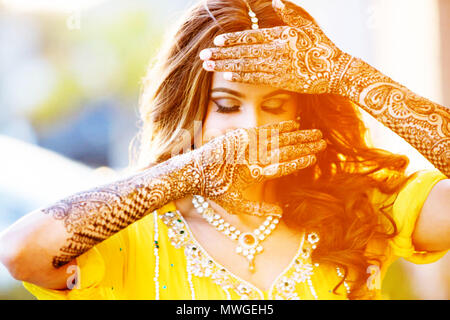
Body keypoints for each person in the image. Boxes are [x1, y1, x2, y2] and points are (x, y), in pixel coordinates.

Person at [0, 0, 449, 300]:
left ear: (302, 115)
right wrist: (188, 172)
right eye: (227, 105)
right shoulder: (125, 225)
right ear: (189, 108)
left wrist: (347, 75)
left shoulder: (360, 208)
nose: (251, 128)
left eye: (275, 105)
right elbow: (21, 251)